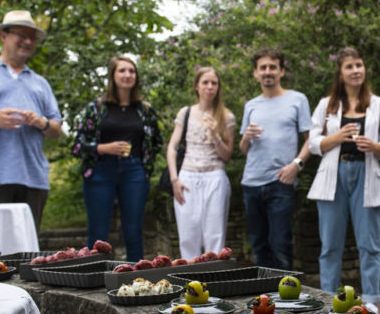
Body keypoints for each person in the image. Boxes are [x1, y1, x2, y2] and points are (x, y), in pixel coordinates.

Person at [307, 47, 380, 310]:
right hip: (332, 178)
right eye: (349, 66)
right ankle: (328, 299)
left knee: (369, 244)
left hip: (367, 175)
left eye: (359, 65)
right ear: (341, 73)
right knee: (330, 245)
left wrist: (376, 147)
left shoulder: (379, 105)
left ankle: (370, 300)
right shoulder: (327, 105)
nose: (355, 70)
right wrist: (337, 138)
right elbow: (313, 143)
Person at [72, 55, 162, 262]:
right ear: (112, 75)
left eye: (132, 71)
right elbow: (77, 146)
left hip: (134, 171)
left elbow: (156, 142)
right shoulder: (96, 108)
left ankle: (135, 281)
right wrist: (103, 148)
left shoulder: (144, 110)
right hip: (100, 170)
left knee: (133, 230)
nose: (127, 75)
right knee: (98, 231)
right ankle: (93, 277)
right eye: (122, 70)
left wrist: (145, 168)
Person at [0, 10, 62, 232]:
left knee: (28, 250)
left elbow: (56, 129)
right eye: (21, 35)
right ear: (3, 36)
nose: (27, 41)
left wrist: (41, 123)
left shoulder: (40, 83)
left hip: (34, 179)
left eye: (32, 38)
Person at [239, 48, 310, 270]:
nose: (267, 72)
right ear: (255, 73)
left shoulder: (297, 100)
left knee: (280, 245)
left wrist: (296, 165)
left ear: (281, 71)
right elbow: (243, 149)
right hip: (251, 183)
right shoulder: (251, 105)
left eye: (272, 67)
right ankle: (264, 301)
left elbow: (311, 140)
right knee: (258, 246)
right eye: (263, 68)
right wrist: (247, 138)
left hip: (281, 182)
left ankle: (286, 301)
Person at [166, 67, 235, 258]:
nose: (210, 87)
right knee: (188, 237)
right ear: (197, 86)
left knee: (215, 236)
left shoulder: (226, 116)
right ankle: (190, 282)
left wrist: (214, 135)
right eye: (205, 82)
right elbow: (172, 147)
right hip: (187, 177)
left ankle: (213, 279)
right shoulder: (186, 113)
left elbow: (227, 155)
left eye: (214, 83)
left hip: (215, 177)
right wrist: (174, 180)